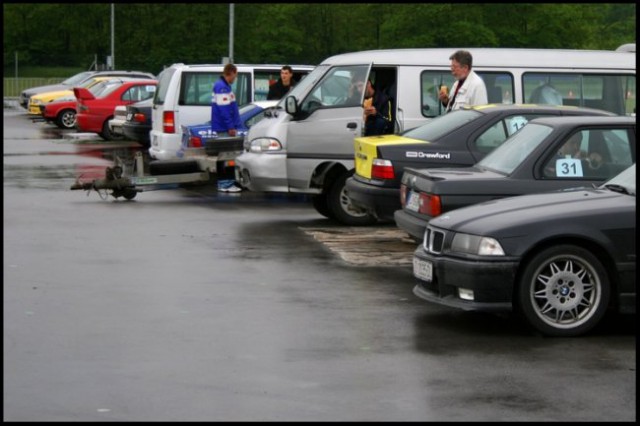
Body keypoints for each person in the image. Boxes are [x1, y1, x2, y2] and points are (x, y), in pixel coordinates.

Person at [211, 63, 244, 193]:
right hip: (225, 127)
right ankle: (225, 183)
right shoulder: (222, 87)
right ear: (232, 72)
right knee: (226, 156)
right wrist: (230, 126)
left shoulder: (224, 86)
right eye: (235, 75)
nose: (235, 78)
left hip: (224, 126)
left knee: (226, 156)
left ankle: (226, 182)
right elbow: (224, 109)